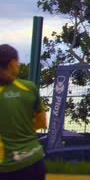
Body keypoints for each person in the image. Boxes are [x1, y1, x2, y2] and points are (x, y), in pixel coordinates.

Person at [0, 44, 47, 180]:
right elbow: (41, 122)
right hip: (35, 160)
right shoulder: (29, 88)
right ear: (12, 63)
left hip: (7, 165)